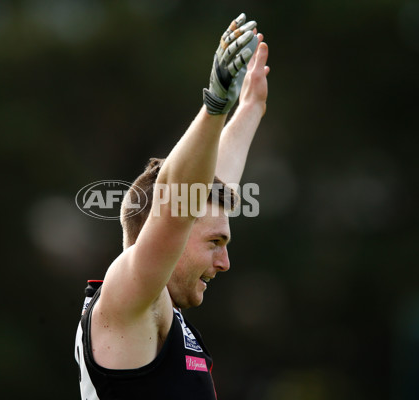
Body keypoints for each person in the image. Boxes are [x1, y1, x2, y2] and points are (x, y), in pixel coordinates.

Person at [75, 13, 269, 400]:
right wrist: (215, 105)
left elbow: (212, 184)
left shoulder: (154, 309)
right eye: (215, 242)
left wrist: (250, 108)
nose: (225, 262)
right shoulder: (129, 298)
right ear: (168, 231)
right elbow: (177, 202)